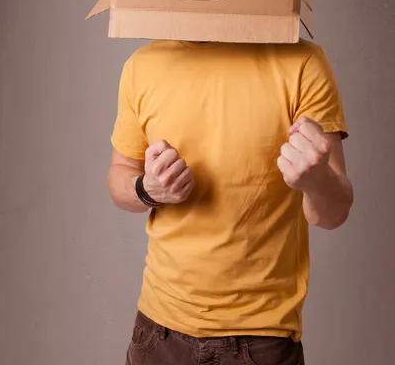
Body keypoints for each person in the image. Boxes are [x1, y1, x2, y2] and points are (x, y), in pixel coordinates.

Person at [107, 38, 354, 365]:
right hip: (159, 331)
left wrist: (316, 179)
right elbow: (119, 177)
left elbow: (334, 212)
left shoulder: (302, 62)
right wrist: (146, 189)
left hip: (261, 339)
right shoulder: (143, 65)